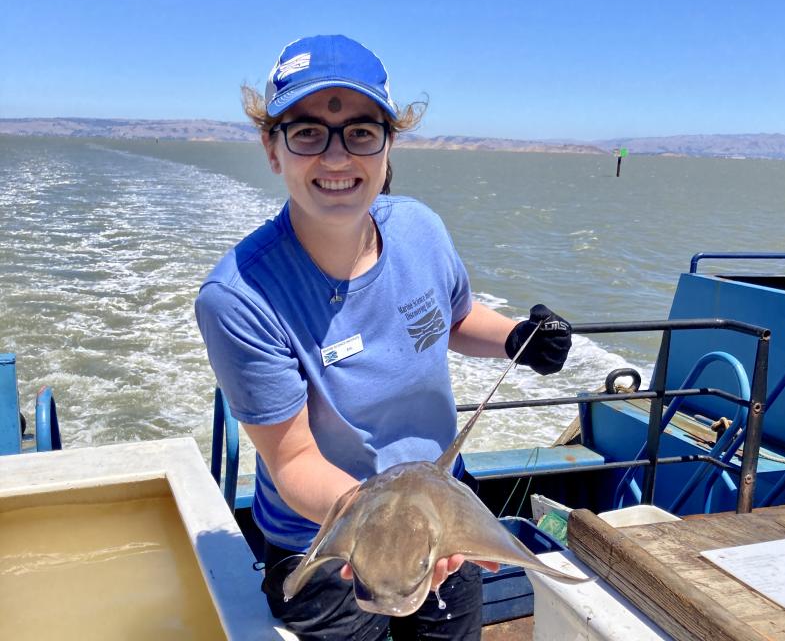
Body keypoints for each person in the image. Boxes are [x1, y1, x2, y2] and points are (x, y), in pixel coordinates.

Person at [195, 34, 572, 641]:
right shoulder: (239, 298)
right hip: (327, 535)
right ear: (273, 148)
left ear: (388, 143)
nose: (338, 158)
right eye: (308, 132)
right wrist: (388, 530)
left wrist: (516, 337)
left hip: (444, 505)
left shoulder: (420, 228)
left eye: (361, 132)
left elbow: (448, 320)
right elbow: (292, 460)